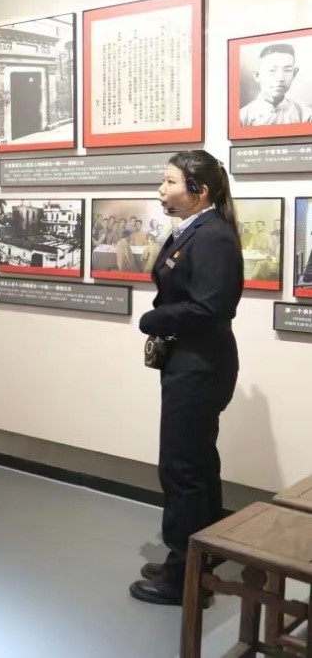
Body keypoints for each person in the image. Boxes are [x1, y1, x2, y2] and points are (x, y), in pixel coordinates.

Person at [129, 150, 244, 607]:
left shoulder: (212, 236)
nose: (162, 189)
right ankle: (200, 556)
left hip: (200, 366)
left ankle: (184, 577)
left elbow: (212, 307)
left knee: (181, 468)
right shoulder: (196, 229)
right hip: (192, 363)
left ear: (200, 190)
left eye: (170, 181)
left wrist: (154, 319)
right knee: (196, 462)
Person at [239, 43, 310, 126]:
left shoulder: (306, 115)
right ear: (257, 75)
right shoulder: (242, 118)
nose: (280, 78)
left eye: (287, 70)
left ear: (294, 73)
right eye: (272, 70)